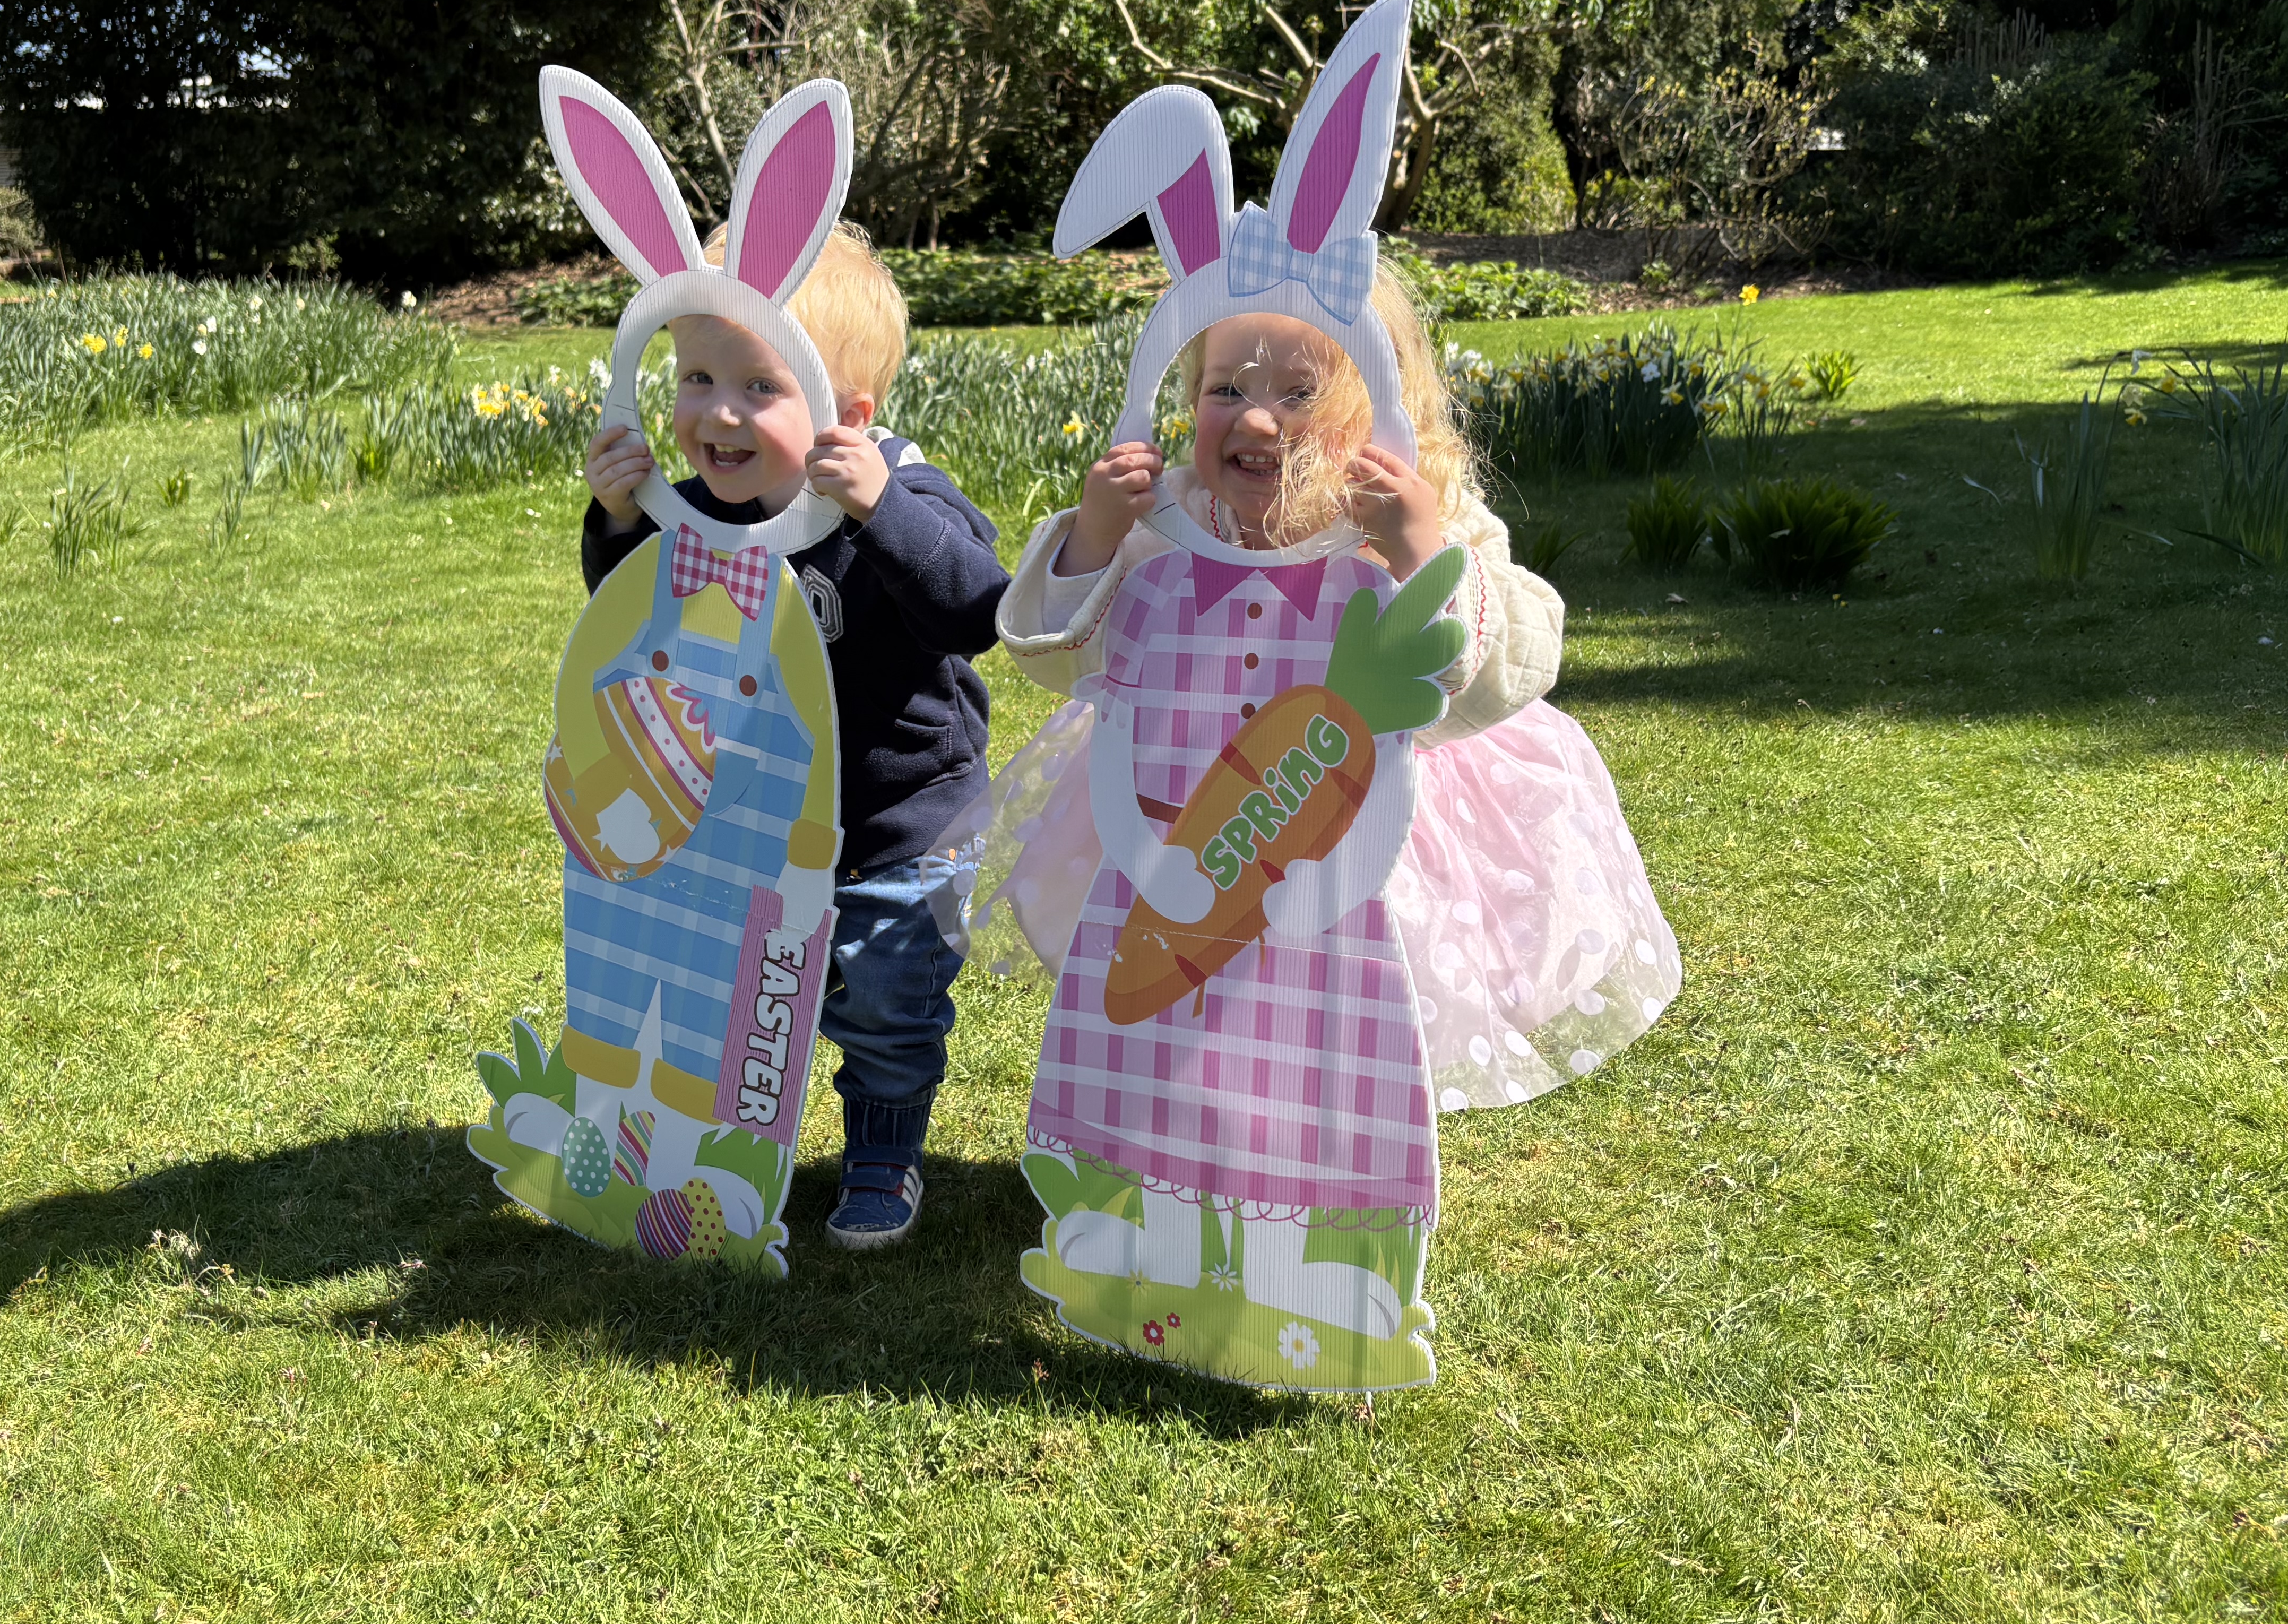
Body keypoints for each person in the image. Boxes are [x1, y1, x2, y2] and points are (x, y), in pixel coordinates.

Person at [985, 265, 1680, 1131]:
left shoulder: (1416, 512)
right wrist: (1094, 538)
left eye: (1300, 393)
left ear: (1381, 406)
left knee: (1336, 965)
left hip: (1368, 805)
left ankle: (1328, 1133)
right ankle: (1200, 1121)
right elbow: (1063, 659)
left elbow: (1514, 660)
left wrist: (1420, 550)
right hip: (1194, 800)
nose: (1256, 418)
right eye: (1226, 389)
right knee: (1203, 960)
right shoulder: (1171, 522)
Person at [580, 226, 1007, 1249]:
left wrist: (880, 510)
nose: (717, 413)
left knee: (886, 1010)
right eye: (696, 377)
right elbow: (636, 619)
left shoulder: (905, 496)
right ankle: (724, 1149)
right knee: (747, 995)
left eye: (759, 387)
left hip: (904, 824)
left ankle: (883, 1155)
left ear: (847, 413)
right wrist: (619, 520)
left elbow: (975, 610)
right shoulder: (694, 513)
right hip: (760, 826)